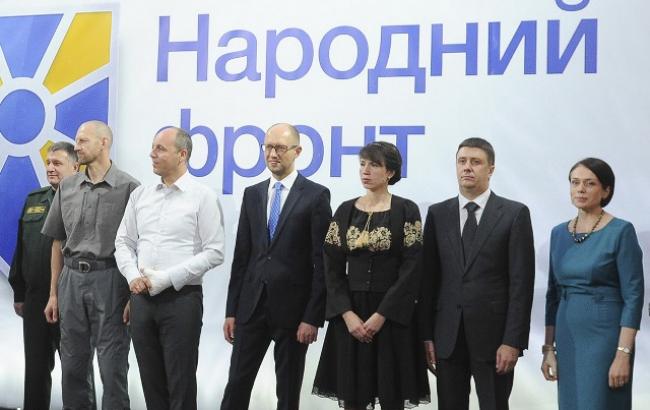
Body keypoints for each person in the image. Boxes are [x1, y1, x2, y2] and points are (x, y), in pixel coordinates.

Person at [221, 123, 332, 410]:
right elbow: (242, 257)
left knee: (288, 393)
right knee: (236, 386)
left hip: (293, 314)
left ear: (297, 151)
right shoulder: (253, 193)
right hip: (251, 308)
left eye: (280, 148)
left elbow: (322, 262)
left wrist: (312, 317)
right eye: (268, 147)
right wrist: (232, 310)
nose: (273, 154)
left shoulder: (316, 196)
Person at [418, 137, 535, 410]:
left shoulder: (514, 214)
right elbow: (429, 280)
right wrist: (426, 335)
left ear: (490, 169)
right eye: (462, 161)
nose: (467, 167)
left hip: (495, 340)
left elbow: (521, 284)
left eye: (476, 162)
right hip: (447, 337)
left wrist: (513, 341)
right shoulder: (438, 213)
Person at [312, 141, 430, 409]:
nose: (365, 170)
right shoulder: (345, 210)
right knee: (353, 398)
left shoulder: (406, 209)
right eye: (362, 164)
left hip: (392, 316)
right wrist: (347, 314)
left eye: (374, 165)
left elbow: (412, 268)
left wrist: (381, 315)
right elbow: (331, 267)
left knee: (391, 396)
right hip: (351, 316)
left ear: (390, 172)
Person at [115, 127, 225, 409]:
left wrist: (166, 278)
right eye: (153, 147)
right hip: (141, 299)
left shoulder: (202, 196)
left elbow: (215, 252)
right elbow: (123, 241)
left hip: (181, 300)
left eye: (160, 148)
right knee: (151, 384)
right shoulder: (140, 195)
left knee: (181, 384)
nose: (152, 154)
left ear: (182, 154)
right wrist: (132, 276)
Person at [42, 120, 139, 409]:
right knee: (72, 367)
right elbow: (57, 242)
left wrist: (133, 296)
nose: (77, 146)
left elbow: (141, 247)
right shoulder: (68, 186)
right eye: (77, 140)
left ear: (104, 143)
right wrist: (53, 293)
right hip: (71, 280)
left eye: (83, 141)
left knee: (112, 367)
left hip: (111, 281)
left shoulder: (130, 188)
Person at [541, 158, 644, 410]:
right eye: (575, 183)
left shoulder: (621, 231)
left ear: (606, 190)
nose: (580, 189)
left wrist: (623, 353)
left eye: (589, 183)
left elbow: (633, 296)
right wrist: (548, 349)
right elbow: (553, 294)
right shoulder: (558, 233)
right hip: (567, 335)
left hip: (605, 337)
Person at [9, 142, 78, 410]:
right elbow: (21, 247)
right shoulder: (34, 200)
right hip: (36, 299)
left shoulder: (85, 200)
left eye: (57, 163)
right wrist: (19, 292)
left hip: (71, 299)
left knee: (76, 373)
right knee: (35, 372)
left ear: (75, 166)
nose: (50, 168)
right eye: (48, 162)